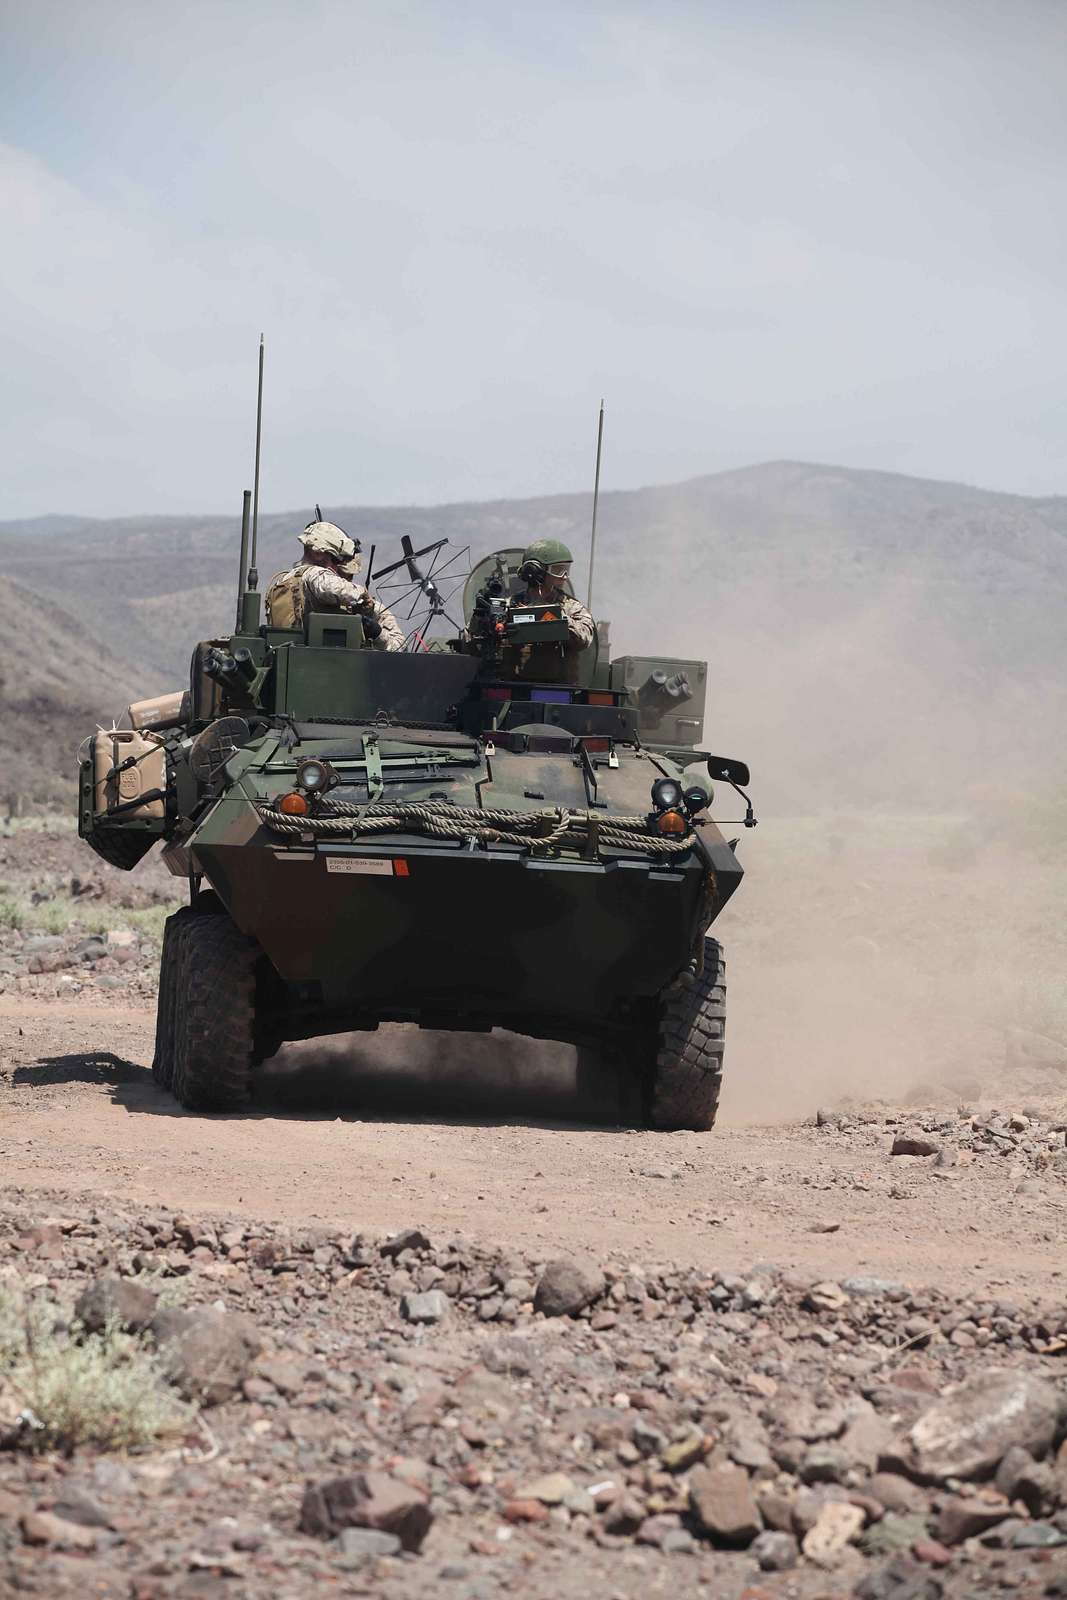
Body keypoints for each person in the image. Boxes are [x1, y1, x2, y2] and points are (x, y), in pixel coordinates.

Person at [266, 521, 405, 650]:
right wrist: (361, 594)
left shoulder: (284, 579)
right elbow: (332, 587)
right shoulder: (315, 575)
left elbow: (400, 647)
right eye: (335, 559)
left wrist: (376, 632)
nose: (335, 568)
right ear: (317, 553)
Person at [496, 538, 594, 683]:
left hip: (558, 687)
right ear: (536, 571)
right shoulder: (510, 606)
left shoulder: (570, 607)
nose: (565, 576)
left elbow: (584, 639)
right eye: (558, 570)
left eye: (566, 570)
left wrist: (556, 617)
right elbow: (476, 641)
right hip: (515, 685)